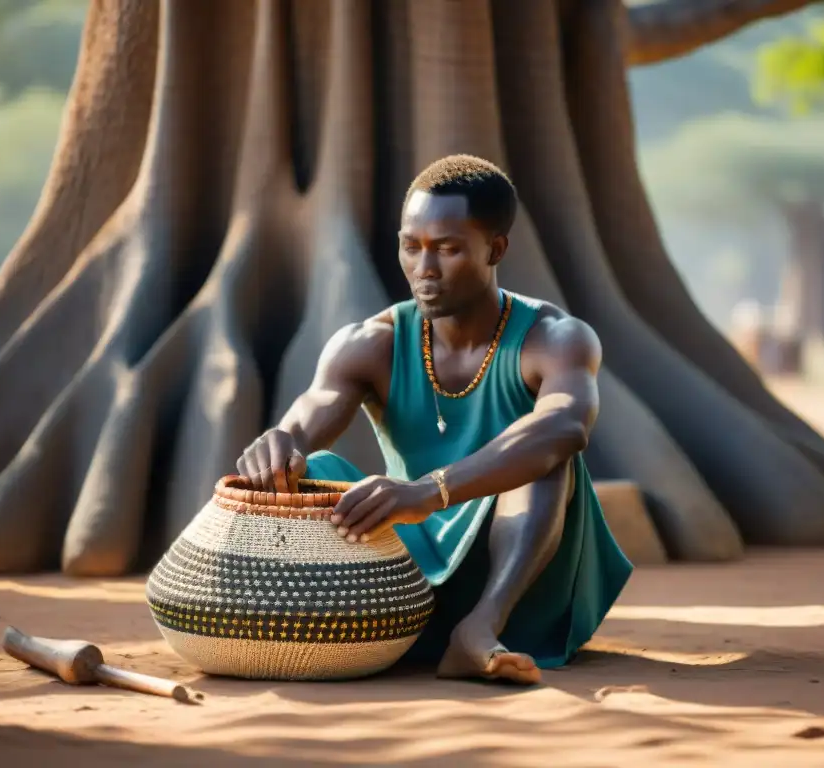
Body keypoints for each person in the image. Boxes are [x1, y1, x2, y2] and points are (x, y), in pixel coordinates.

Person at [237, 154, 633, 685]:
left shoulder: (554, 337)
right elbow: (311, 414)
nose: (424, 268)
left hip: (522, 577)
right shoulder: (370, 342)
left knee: (543, 457)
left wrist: (430, 491)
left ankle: (478, 632)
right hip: (403, 566)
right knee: (314, 470)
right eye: (411, 246)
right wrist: (282, 442)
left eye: (447, 249)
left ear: (495, 249)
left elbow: (567, 425)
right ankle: (353, 626)